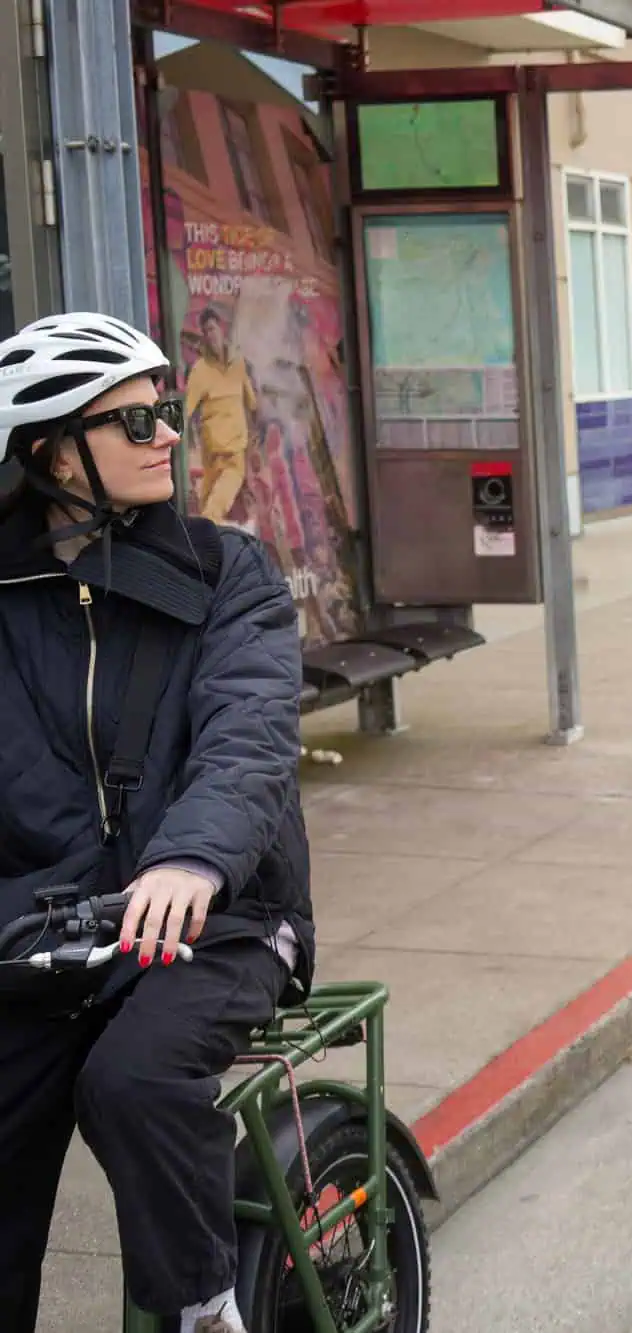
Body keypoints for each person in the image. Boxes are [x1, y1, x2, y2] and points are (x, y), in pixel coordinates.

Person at [0, 312, 315, 1332]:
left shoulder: (227, 571)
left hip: (214, 915)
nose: (168, 437)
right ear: (52, 452)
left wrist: (191, 858)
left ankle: (202, 1308)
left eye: (166, 413)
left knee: (129, 1081)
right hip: (49, 927)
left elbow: (249, 735)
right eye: (134, 421)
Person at [182, 305, 256, 528]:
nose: (210, 336)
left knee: (212, 507)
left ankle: (203, 551)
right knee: (210, 510)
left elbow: (251, 402)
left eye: (212, 329)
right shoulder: (200, 370)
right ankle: (203, 544)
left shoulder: (238, 363)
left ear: (221, 329)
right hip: (212, 451)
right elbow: (186, 408)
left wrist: (254, 435)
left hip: (235, 450)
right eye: (206, 332)